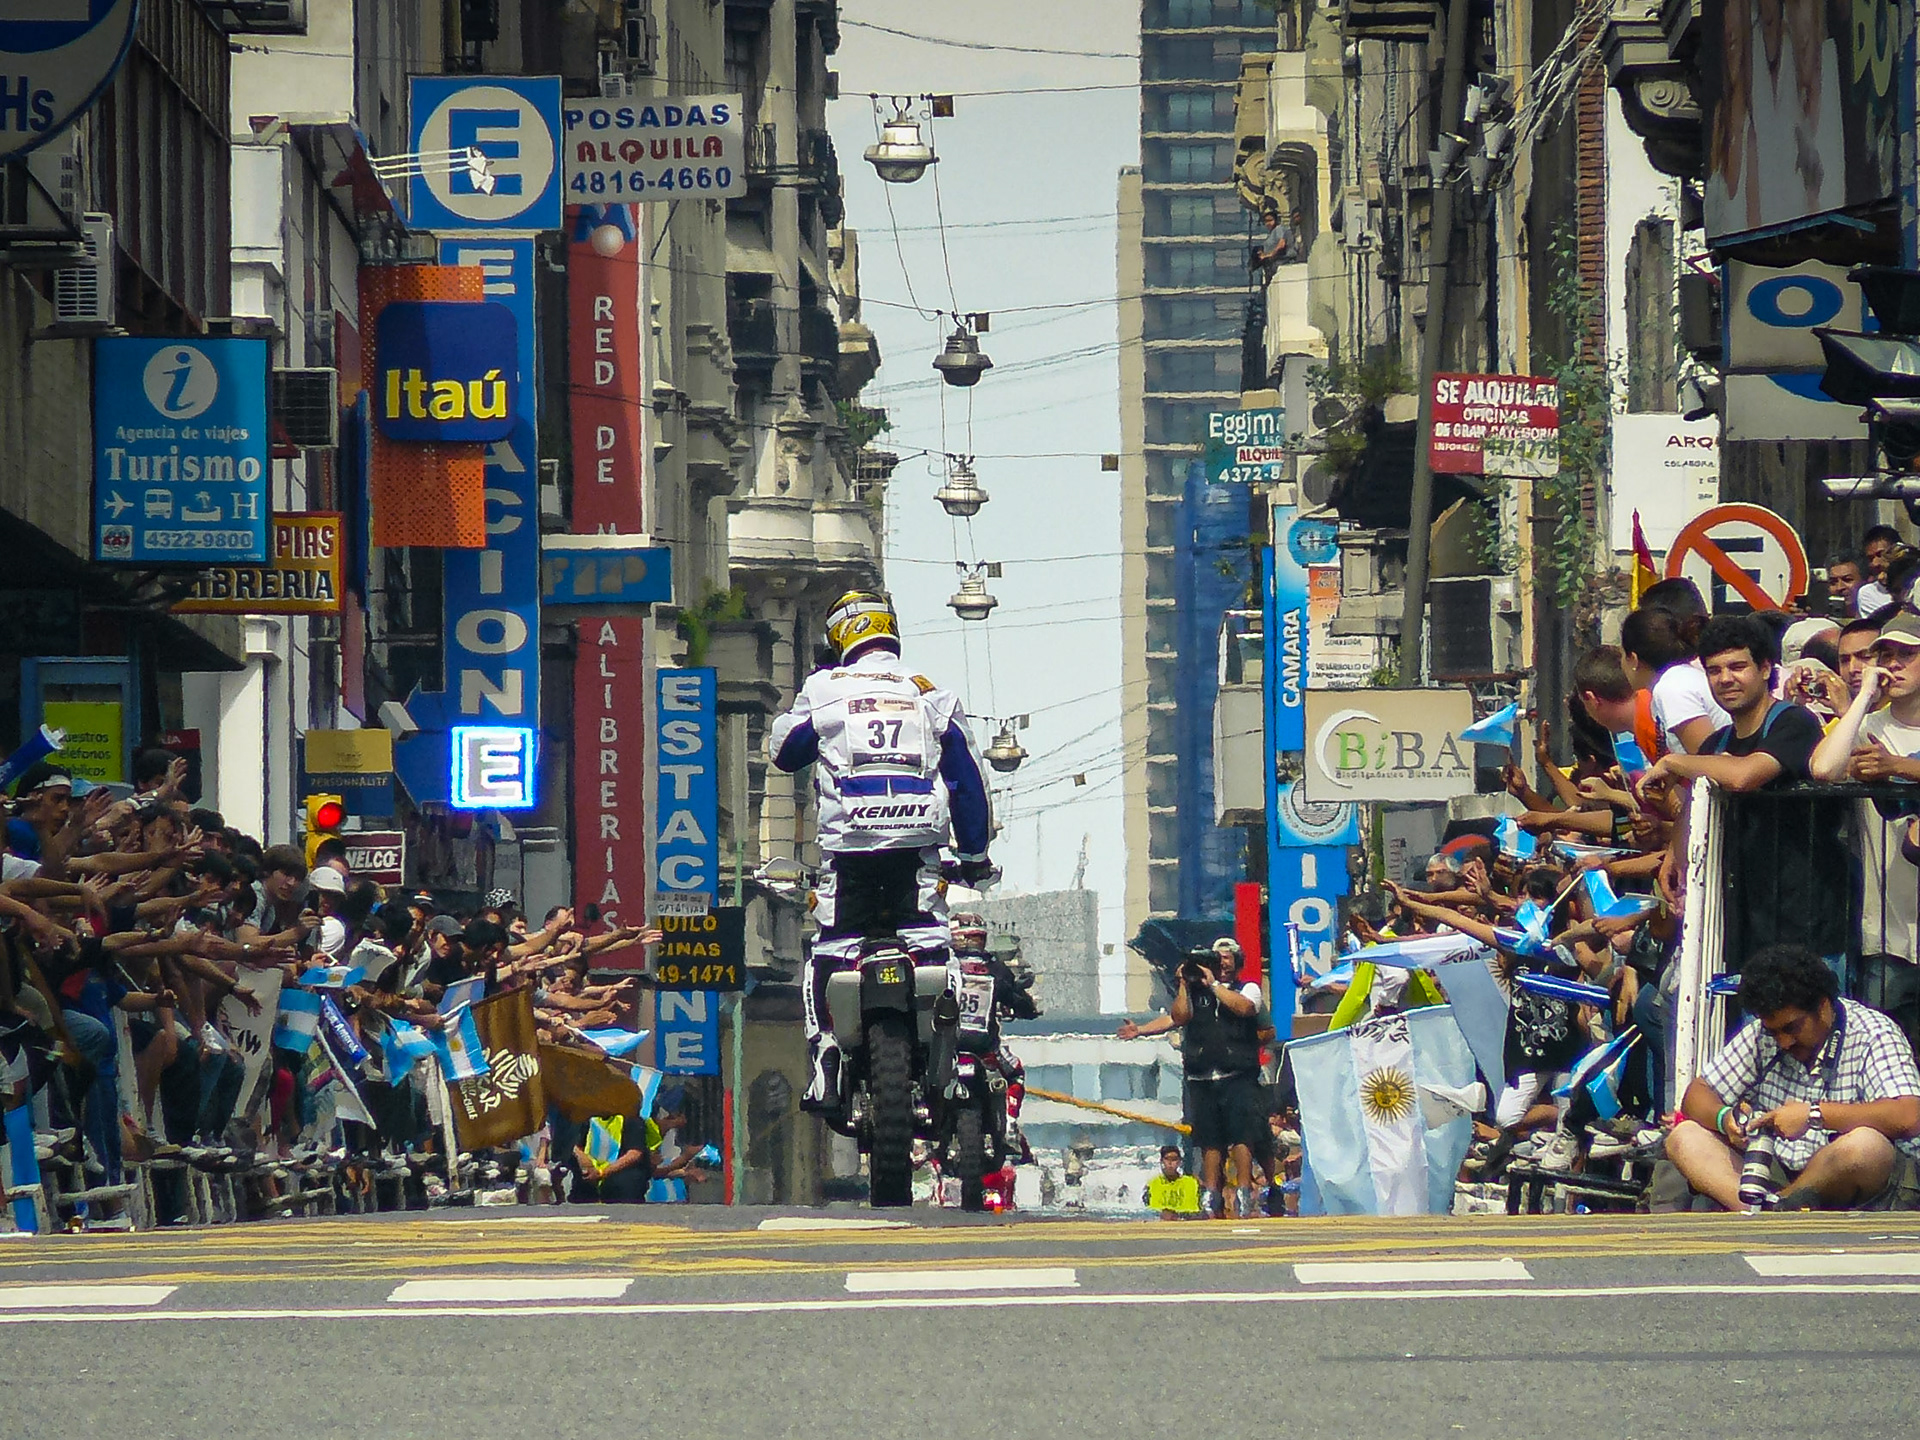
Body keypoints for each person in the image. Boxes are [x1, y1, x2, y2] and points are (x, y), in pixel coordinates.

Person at [767, 590, 993, 1109]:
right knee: (933, 941)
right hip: (917, 851)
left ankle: (825, 1056)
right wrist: (976, 857)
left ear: (840, 634)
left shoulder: (824, 688)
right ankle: (950, 1060)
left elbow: (785, 753)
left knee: (830, 947)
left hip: (849, 852)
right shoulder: (932, 694)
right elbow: (967, 782)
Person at [1645, 614, 1850, 977]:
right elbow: (1694, 808)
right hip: (1745, 930)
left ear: (1765, 668)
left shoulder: (1794, 723)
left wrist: (1675, 761)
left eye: (1738, 666)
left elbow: (1744, 776)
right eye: (1714, 670)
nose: (1725, 679)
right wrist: (1673, 859)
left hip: (1808, 926)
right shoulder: (1716, 742)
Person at [1665, 943, 1920, 1211]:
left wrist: (1814, 1115)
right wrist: (1724, 1118)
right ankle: (1770, 1212)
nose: (1784, 1041)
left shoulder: (1874, 1033)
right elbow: (1698, 1093)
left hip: (1851, 1183)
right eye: (1774, 1031)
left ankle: (1773, 1211)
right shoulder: (1764, 1035)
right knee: (1684, 1137)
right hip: (1776, 1174)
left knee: (1864, 1146)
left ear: (1822, 1007)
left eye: (1792, 1028)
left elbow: (1909, 1114)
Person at [1813, 610, 1920, 1049]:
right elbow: (1823, 767)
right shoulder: (1868, 728)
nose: (1892, 664)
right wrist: (1859, 701)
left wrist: (1899, 768)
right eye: (1886, 655)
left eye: (1906, 655)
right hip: (1886, 937)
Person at [1168, 943, 1265, 1218]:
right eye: (1216, 959)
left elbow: (1245, 1008)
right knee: (1210, 1140)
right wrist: (1185, 984)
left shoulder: (1246, 987)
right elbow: (1179, 1016)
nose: (1221, 963)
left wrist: (1213, 986)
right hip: (1202, 1076)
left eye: (1226, 958)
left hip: (1237, 1074)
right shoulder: (1197, 992)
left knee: (1242, 1136)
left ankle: (1244, 1191)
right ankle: (1211, 1193)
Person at [1619, 605, 1728, 755]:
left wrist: (1671, 765)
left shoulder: (1672, 688)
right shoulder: (1681, 678)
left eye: (1623, 655)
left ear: (1633, 659)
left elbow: (1709, 761)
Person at [1145, 1143, 1201, 1218]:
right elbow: (1152, 1209)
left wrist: (1175, 1215)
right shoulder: (1153, 1183)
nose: (1170, 1163)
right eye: (1167, 1159)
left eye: (1174, 1159)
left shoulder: (1190, 1182)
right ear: (1162, 1161)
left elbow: (1192, 1208)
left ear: (1179, 1162)